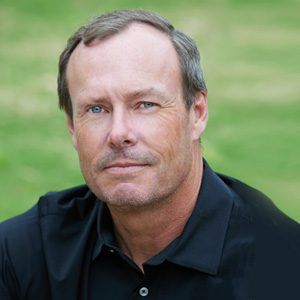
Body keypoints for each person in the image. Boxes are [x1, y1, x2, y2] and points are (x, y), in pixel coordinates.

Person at [0, 9, 299, 300]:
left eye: (145, 104)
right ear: (72, 128)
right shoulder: (25, 253)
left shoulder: (283, 266)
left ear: (196, 113)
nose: (118, 134)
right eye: (96, 109)